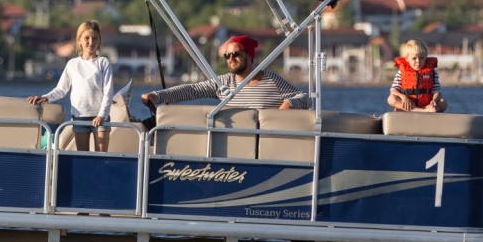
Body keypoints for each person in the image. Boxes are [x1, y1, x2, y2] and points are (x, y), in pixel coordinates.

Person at [141, 34, 312, 111]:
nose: (231, 58)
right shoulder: (223, 82)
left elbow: (305, 98)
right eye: (227, 55)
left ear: (249, 56)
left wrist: (288, 104)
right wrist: (156, 96)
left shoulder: (271, 79)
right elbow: (192, 90)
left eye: (236, 54)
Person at [28, 20, 114, 152]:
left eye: (95, 38)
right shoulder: (72, 64)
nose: (91, 42)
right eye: (86, 38)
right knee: (82, 156)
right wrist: (45, 98)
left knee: (101, 157)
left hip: (100, 118)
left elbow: (108, 93)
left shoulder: (103, 63)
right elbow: (61, 89)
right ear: (79, 40)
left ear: (99, 41)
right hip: (80, 116)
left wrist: (101, 115)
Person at [388, 38, 448, 112]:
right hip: (408, 105)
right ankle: (418, 110)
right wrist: (403, 97)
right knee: (391, 99)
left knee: (443, 102)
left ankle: (424, 109)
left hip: (427, 105)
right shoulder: (401, 73)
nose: (418, 61)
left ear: (426, 57)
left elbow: (437, 91)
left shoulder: (432, 72)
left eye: (421, 58)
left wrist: (434, 100)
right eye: (414, 58)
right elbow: (393, 91)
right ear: (407, 58)